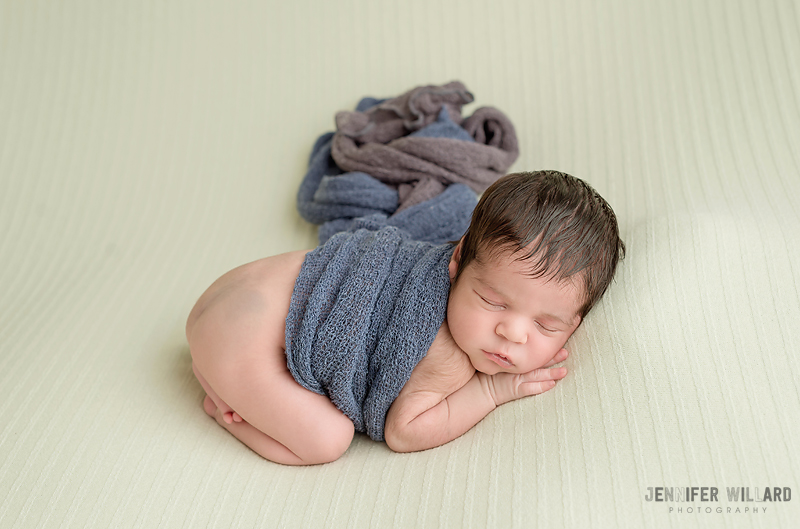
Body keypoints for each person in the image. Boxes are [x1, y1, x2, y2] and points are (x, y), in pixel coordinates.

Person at [186, 171, 625, 465]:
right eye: (493, 301)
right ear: (456, 262)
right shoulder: (445, 353)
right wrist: (491, 390)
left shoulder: (479, 270)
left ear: (575, 324)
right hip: (238, 332)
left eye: (546, 325)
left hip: (247, 286)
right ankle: (221, 400)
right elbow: (404, 431)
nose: (512, 331)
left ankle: (225, 378)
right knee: (326, 440)